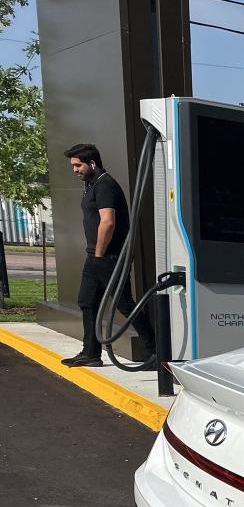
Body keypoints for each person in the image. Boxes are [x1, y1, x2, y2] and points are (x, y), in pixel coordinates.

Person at [59, 143, 155, 368]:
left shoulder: (105, 185)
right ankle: (91, 353)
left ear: (92, 163)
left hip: (109, 257)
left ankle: (156, 352)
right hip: (95, 256)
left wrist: (100, 255)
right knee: (87, 302)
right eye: (72, 166)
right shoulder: (92, 184)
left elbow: (108, 221)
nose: (75, 170)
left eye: (78, 165)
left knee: (125, 304)